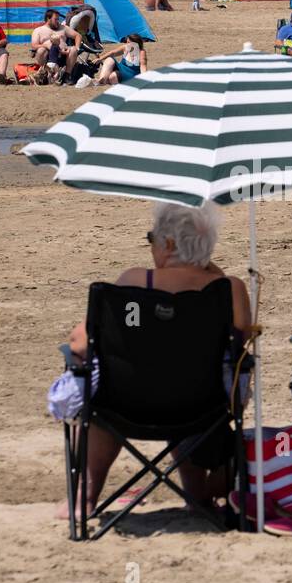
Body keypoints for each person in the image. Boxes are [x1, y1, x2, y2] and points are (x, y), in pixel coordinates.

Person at [49, 201, 252, 521]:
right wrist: (209, 269)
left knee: (101, 403)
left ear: (169, 244)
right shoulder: (229, 290)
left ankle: (82, 500)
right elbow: (242, 342)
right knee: (181, 382)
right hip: (202, 408)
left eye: (151, 238)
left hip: (126, 405)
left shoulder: (132, 282)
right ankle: (197, 498)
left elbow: (80, 343)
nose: (151, 246)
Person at [30, 9, 81, 82]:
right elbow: (34, 45)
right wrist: (46, 46)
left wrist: (77, 47)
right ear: (48, 19)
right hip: (48, 57)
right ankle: (47, 73)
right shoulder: (38, 30)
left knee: (73, 50)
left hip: (64, 55)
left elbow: (78, 36)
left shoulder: (63, 28)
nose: (58, 21)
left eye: (58, 19)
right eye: (55, 19)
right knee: (41, 50)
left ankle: (66, 76)